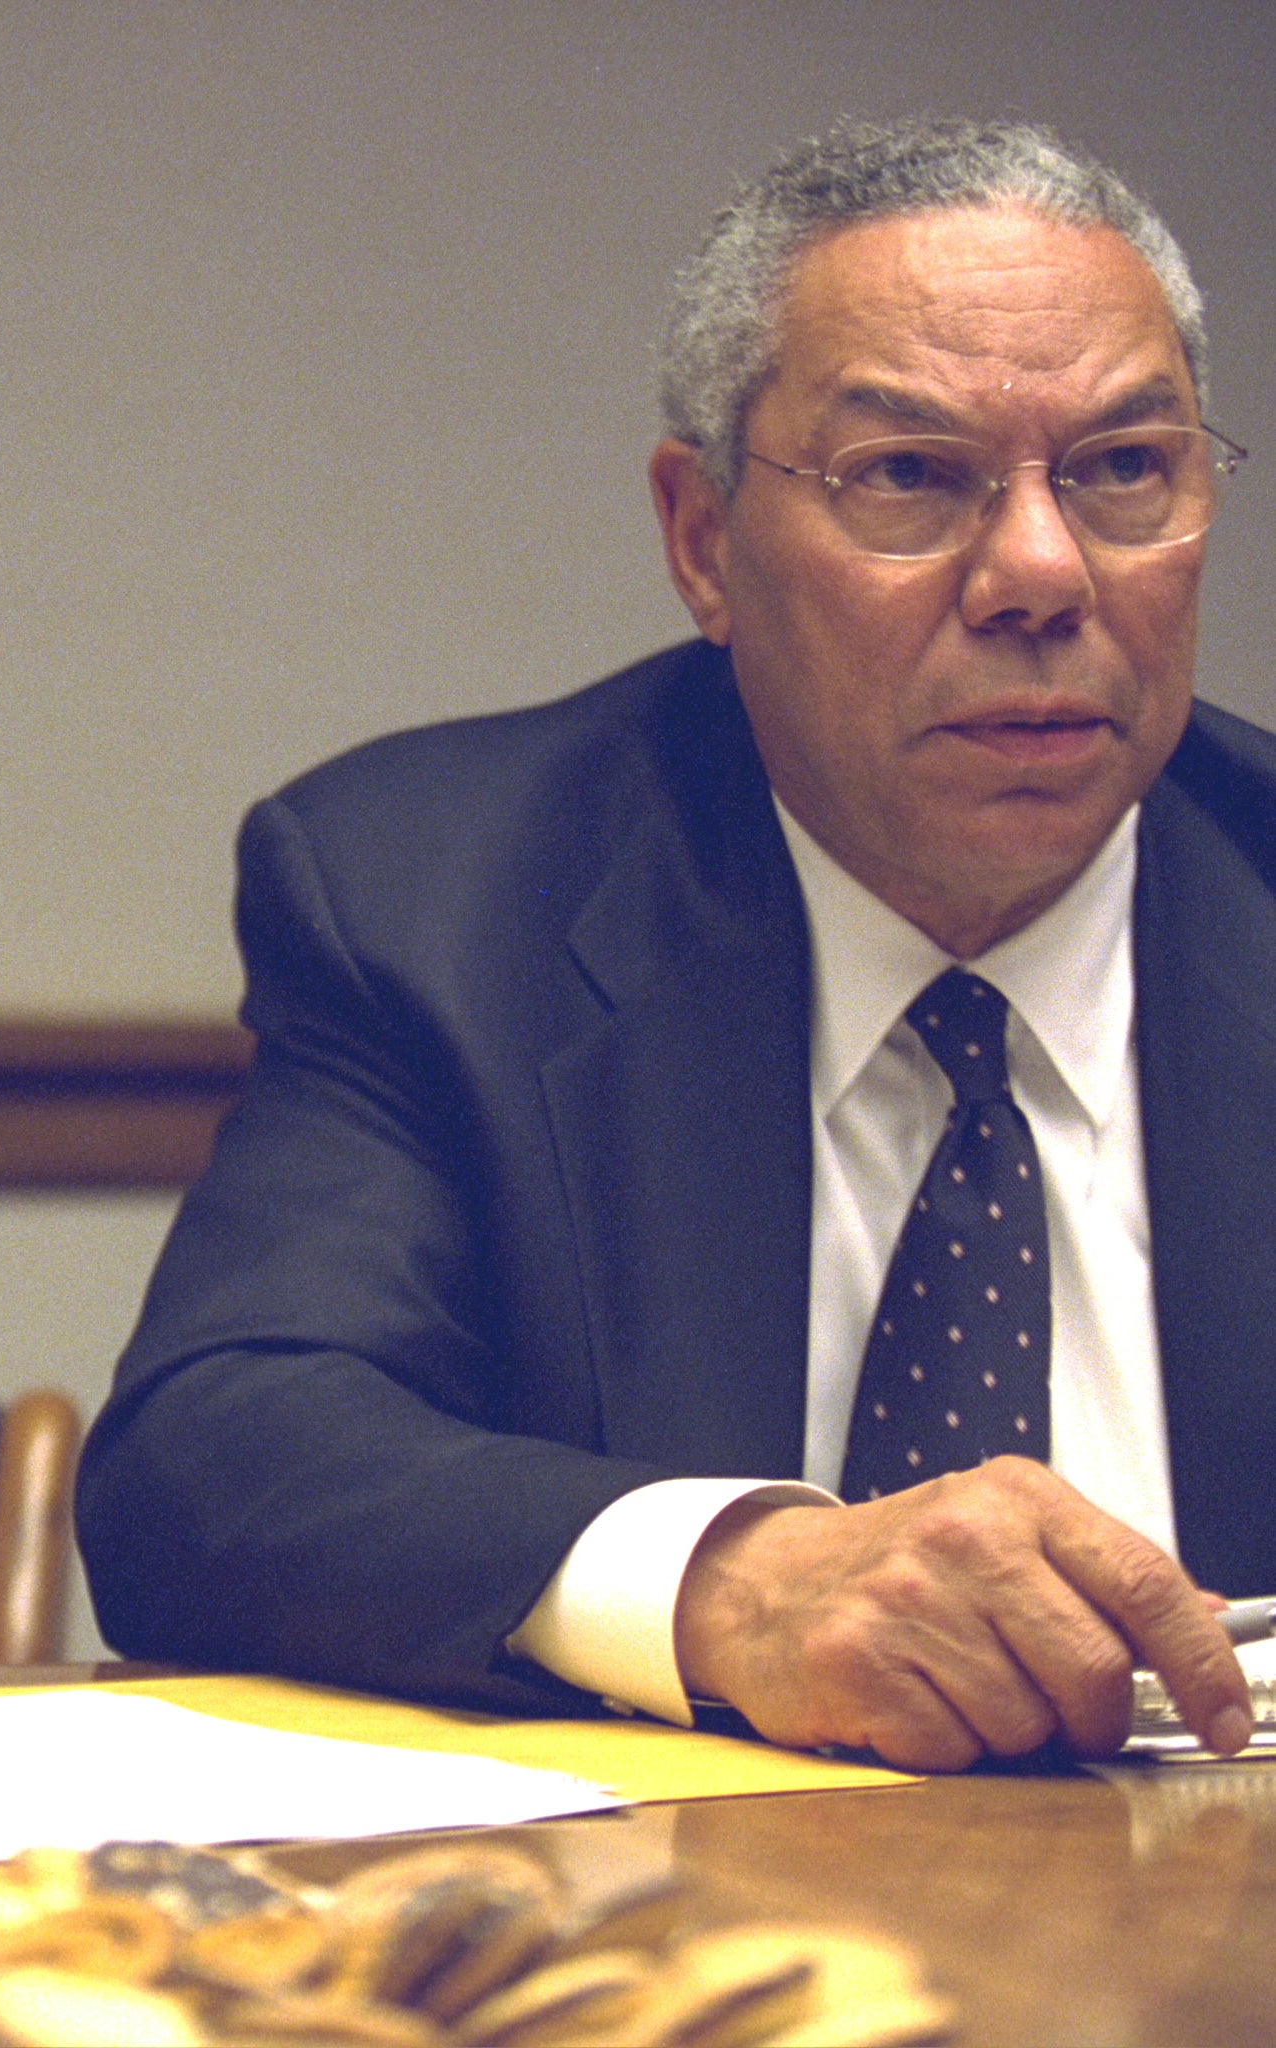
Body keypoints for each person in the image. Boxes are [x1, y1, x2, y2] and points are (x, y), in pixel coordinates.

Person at [77, 119, 1273, 1772]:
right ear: (702, 540)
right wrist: (733, 1581)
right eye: (910, 476)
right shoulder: (443, 898)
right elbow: (214, 1466)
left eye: (1122, 468)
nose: (1039, 572)